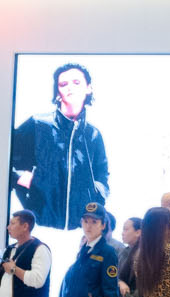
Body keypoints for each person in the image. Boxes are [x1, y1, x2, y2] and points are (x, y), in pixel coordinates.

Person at [10, 61, 109, 231]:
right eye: (63, 84)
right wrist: (23, 178)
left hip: (79, 228)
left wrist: (95, 194)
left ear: (88, 88)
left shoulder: (93, 134)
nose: (70, 88)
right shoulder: (37, 124)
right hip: (40, 224)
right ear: (57, 92)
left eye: (76, 82)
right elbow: (8, 158)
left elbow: (102, 174)